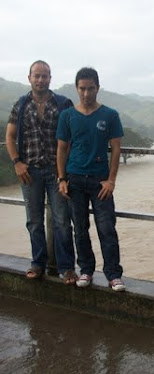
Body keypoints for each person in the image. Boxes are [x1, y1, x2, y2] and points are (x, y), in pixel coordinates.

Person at [5, 60, 77, 285]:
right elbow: (9, 136)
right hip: (30, 171)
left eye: (45, 76)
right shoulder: (21, 104)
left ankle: (67, 268)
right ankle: (38, 263)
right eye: (37, 75)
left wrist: (65, 171)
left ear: (50, 79)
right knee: (34, 220)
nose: (41, 79)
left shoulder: (63, 104)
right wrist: (17, 162)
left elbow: (72, 137)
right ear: (29, 78)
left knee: (62, 220)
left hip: (57, 172)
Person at [56, 67, 126, 291]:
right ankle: (85, 270)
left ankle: (113, 274)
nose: (86, 94)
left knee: (106, 228)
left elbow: (116, 149)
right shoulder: (67, 116)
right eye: (82, 89)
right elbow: (61, 149)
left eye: (91, 89)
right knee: (80, 229)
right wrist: (61, 179)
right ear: (77, 89)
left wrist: (111, 180)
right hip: (74, 179)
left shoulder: (110, 115)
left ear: (98, 88)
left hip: (100, 182)